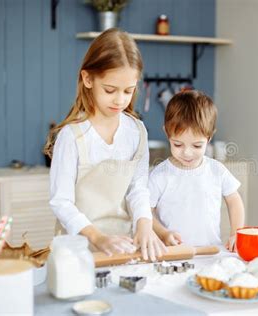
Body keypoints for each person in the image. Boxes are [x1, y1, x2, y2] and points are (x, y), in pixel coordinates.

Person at [44, 28, 166, 261]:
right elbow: (61, 202)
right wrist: (97, 238)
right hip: (78, 249)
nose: (120, 99)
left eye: (128, 91)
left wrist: (144, 225)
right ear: (88, 79)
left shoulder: (136, 131)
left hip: (124, 246)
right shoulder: (73, 137)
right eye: (110, 90)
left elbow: (138, 188)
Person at [148, 90, 245, 251]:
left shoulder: (216, 170)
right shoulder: (159, 175)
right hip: (174, 253)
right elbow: (146, 211)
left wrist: (237, 233)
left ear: (209, 137)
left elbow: (234, 201)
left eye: (197, 145)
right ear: (167, 132)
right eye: (178, 144)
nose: (187, 153)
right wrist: (163, 233)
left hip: (210, 251)